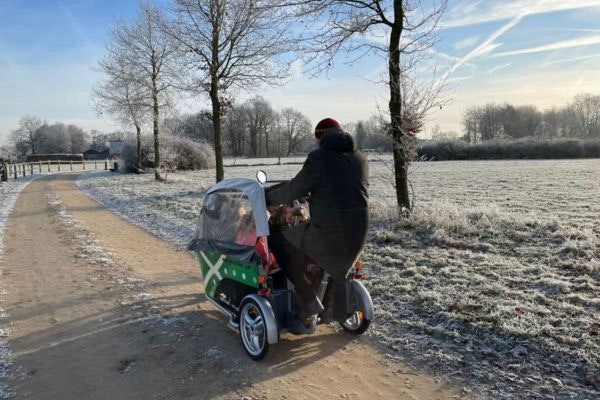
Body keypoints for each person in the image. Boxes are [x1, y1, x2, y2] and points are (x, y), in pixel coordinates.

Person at [266, 117, 369, 322]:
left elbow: (295, 188)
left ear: (321, 137)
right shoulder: (361, 158)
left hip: (329, 232)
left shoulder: (318, 158)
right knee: (313, 247)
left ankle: (308, 300)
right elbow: (343, 192)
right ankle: (329, 307)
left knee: (278, 241)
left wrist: (267, 197)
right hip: (359, 232)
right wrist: (314, 197)